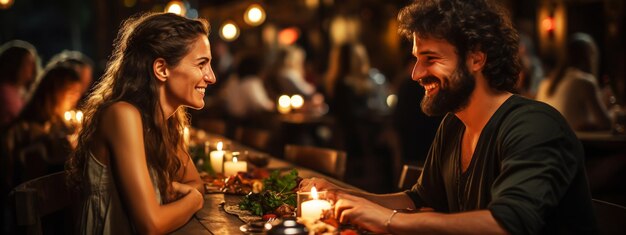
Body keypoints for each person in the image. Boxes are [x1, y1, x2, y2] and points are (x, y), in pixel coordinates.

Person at [300, 0, 597, 234]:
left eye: (431, 58)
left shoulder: (535, 125)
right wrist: (348, 196)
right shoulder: (454, 123)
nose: (416, 74)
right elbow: (420, 200)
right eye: (416, 59)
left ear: (476, 58)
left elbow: (507, 225)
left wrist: (388, 220)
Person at [65, 12, 213, 234]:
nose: (211, 77)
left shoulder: (164, 121)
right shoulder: (121, 115)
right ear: (162, 69)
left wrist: (186, 192)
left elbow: (195, 183)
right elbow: (151, 225)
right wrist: (193, 200)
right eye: (201, 65)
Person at [536, 33, 611, 131]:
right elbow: (605, 124)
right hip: (575, 144)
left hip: (545, 142)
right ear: (589, 58)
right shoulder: (586, 82)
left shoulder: (545, 83)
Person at [0, 40, 40, 127]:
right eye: (27, 63)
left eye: (33, 63)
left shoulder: (23, 91)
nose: (32, 68)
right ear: (14, 65)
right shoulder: (5, 91)